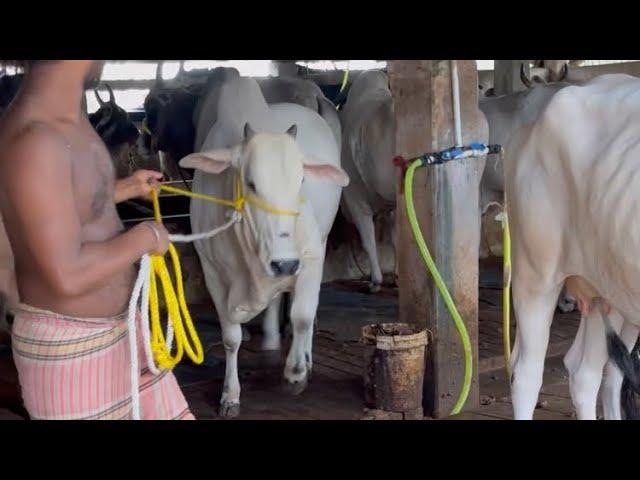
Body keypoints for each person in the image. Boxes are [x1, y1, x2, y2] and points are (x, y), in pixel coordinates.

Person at [0, 60, 194, 420]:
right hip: (75, 356)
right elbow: (66, 274)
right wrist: (146, 237)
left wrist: (120, 189)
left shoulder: (68, 118)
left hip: (121, 337)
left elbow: (62, 200)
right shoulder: (36, 140)